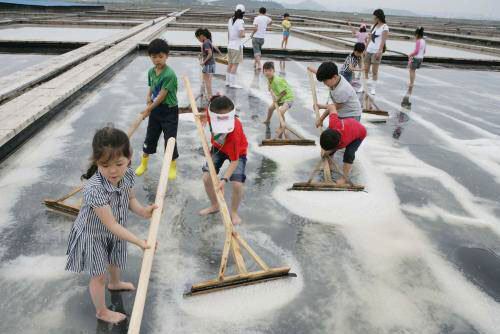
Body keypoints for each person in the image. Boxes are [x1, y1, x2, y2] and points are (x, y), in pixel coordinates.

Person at [65, 127, 157, 324]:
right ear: (96, 161)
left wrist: (144, 212)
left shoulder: (128, 174)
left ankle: (115, 283)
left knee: (115, 257)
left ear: (129, 158)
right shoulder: (94, 189)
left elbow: (131, 199)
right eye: (105, 165)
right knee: (98, 275)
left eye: (119, 163)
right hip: (93, 234)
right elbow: (111, 224)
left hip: (115, 229)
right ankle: (101, 311)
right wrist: (140, 242)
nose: (113, 171)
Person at [198, 95, 248, 225]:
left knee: (237, 184)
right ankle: (215, 205)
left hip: (238, 153)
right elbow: (210, 109)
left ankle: (234, 212)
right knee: (207, 178)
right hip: (218, 148)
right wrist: (203, 115)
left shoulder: (235, 131)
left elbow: (234, 160)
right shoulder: (212, 114)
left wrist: (224, 180)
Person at [135, 38, 179, 179]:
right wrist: (148, 97)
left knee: (170, 139)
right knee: (150, 136)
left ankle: (172, 167)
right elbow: (151, 87)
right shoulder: (151, 72)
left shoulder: (169, 74)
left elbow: (161, 95)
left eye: (161, 56)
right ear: (150, 57)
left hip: (169, 110)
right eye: (154, 57)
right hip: (156, 110)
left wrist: (148, 109)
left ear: (167, 55)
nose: (157, 60)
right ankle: (143, 164)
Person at [319, 106, 367, 185]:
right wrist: (321, 119)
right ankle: (330, 165)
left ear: (338, 144)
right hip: (349, 123)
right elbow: (331, 107)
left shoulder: (344, 142)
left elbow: (335, 148)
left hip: (359, 133)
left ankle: (344, 178)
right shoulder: (332, 124)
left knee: (349, 154)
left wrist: (328, 151)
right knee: (328, 151)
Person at [262, 61, 295, 138]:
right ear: (263, 72)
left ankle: (281, 127)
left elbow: (284, 92)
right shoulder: (269, 79)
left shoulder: (277, 81)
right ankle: (267, 120)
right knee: (270, 108)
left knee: (281, 111)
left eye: (270, 70)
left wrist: (276, 98)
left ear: (274, 71)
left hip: (287, 98)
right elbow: (271, 88)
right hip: (280, 98)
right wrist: (270, 88)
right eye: (266, 71)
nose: (268, 73)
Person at [364, 9, 389, 96]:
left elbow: (383, 41)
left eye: (374, 16)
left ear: (378, 17)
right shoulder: (373, 26)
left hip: (376, 52)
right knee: (366, 70)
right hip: (369, 50)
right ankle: (365, 87)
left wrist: (379, 51)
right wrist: (365, 49)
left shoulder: (385, 27)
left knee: (374, 71)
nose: (373, 18)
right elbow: (369, 39)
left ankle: (373, 88)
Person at [195, 28, 222, 101]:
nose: (198, 40)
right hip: (212, 64)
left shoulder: (206, 43)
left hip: (208, 64)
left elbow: (209, 54)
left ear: (201, 36)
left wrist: (203, 62)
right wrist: (220, 54)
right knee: (209, 81)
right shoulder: (208, 41)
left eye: (198, 38)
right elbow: (214, 48)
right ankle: (209, 95)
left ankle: (210, 96)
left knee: (207, 81)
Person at [404, 27, 426, 105]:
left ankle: (411, 83)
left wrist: (410, 54)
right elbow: (424, 51)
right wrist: (421, 57)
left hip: (416, 58)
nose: (414, 36)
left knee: (411, 70)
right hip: (420, 58)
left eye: (415, 35)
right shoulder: (424, 41)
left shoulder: (418, 41)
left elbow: (416, 51)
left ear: (417, 35)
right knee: (413, 71)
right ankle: (412, 82)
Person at [226, 4, 246, 88]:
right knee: (235, 64)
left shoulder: (230, 20)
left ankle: (227, 82)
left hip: (230, 45)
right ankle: (233, 83)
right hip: (237, 46)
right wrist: (244, 34)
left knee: (230, 63)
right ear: (243, 13)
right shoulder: (241, 21)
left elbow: (228, 34)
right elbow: (241, 34)